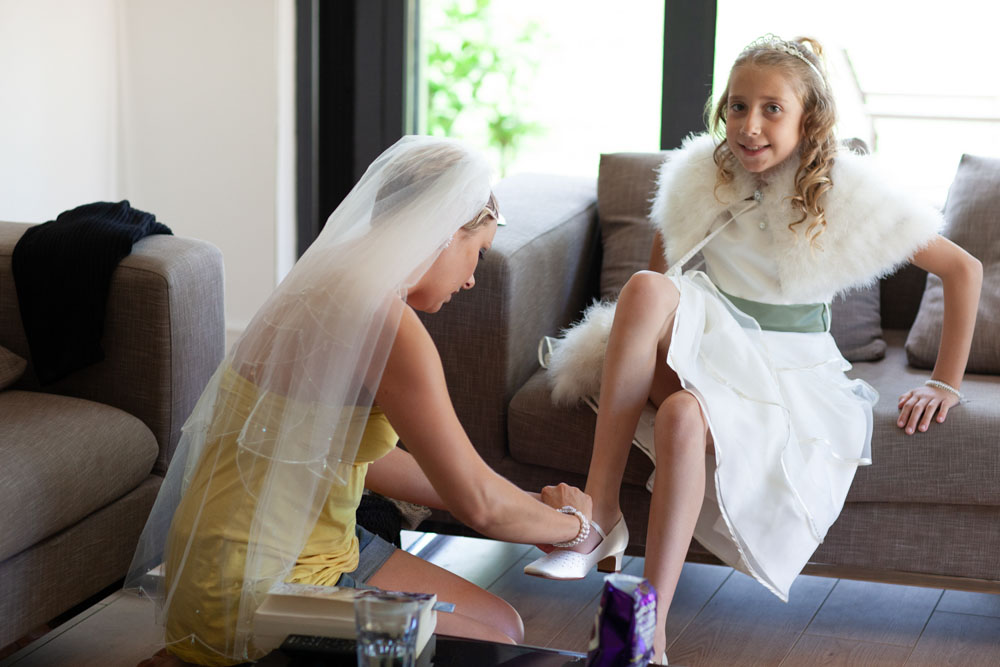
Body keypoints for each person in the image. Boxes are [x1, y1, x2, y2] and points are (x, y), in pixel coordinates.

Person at [524, 35, 982, 663]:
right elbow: (664, 286)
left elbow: (962, 270)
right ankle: (600, 508)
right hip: (707, 334)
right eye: (738, 107)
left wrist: (945, 382)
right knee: (646, 285)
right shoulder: (699, 176)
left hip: (789, 365)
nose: (750, 125)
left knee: (684, 416)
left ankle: (648, 633)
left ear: (808, 119)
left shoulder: (845, 189)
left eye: (772, 109)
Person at [127, 136, 593, 666]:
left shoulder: (325, 282)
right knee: (492, 648)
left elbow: (363, 459)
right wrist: (578, 528)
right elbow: (478, 504)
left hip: (282, 558)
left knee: (501, 625)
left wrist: (530, 509)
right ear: (441, 229)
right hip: (255, 590)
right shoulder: (384, 322)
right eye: (477, 253)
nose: (470, 278)